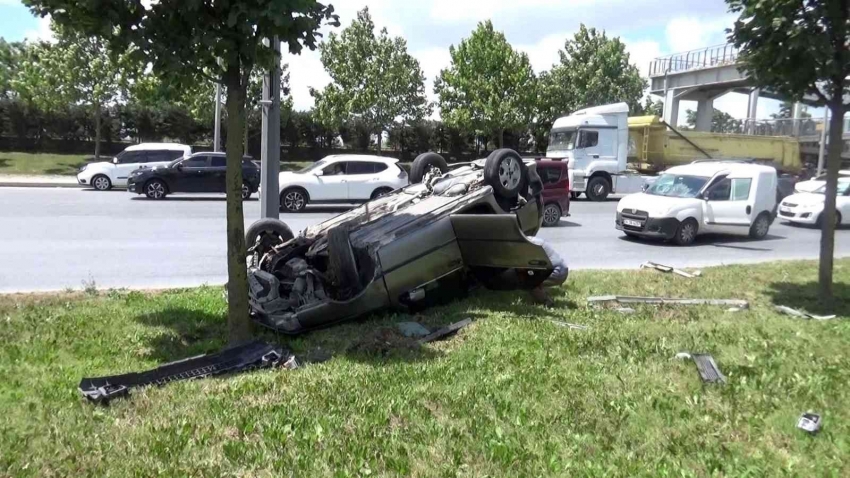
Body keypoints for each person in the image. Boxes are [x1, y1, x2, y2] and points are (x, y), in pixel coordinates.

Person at [526, 236, 568, 306]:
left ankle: (547, 302)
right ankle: (538, 299)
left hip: (558, 271)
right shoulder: (534, 241)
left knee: (529, 281)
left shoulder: (531, 245)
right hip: (562, 269)